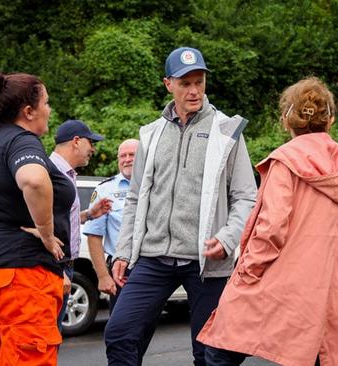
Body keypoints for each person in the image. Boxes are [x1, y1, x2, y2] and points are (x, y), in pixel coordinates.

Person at [104, 46, 257, 365]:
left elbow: (245, 196)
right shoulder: (151, 134)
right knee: (119, 333)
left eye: (199, 82)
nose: (194, 90)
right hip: (153, 256)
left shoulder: (227, 131)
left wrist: (228, 238)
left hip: (207, 261)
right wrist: (123, 251)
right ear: (168, 84)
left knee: (210, 354)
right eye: (185, 83)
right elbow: (135, 198)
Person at [198, 76, 338, 366]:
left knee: (221, 349)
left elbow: (271, 228)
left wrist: (247, 269)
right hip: (323, 281)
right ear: (330, 120)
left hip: (279, 276)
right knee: (317, 350)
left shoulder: (285, 161)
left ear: (286, 119)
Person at [0, 70, 76, 366]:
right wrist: (46, 235)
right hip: (20, 279)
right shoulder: (22, 141)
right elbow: (34, 180)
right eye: (46, 103)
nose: (49, 109)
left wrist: (3, 224)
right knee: (29, 358)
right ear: (28, 111)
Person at [46, 119, 111, 333]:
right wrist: (56, 271)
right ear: (76, 141)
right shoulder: (48, 172)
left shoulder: (66, 173)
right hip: (53, 268)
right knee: (45, 337)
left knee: (52, 336)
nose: (92, 148)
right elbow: (33, 225)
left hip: (64, 266)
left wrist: (89, 215)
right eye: (90, 142)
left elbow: (57, 219)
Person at [83, 138, 139, 310]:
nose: (127, 159)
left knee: (148, 325)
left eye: (132, 155)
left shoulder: (157, 185)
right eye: (123, 156)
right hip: (122, 269)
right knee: (121, 325)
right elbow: (94, 235)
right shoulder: (105, 189)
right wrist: (102, 276)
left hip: (155, 266)